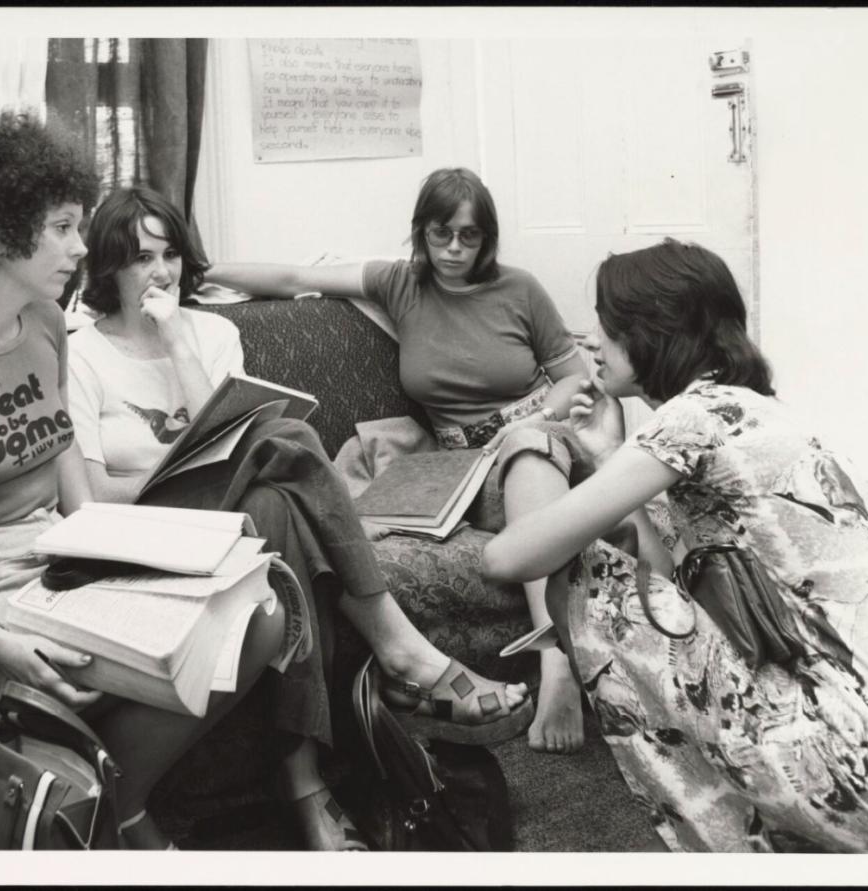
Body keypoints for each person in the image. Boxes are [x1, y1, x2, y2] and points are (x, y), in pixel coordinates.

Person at [66, 184, 532, 851]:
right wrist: (172, 473)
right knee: (285, 444)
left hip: (237, 521)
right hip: (146, 529)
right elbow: (93, 498)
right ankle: (397, 651)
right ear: (109, 267)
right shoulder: (81, 353)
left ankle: (304, 782)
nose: (160, 272)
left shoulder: (211, 334)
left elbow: (225, 440)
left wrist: (175, 341)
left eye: (169, 254)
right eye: (140, 258)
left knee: (276, 505)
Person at [0, 114, 289, 850]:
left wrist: (143, 559)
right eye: (62, 228)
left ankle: (117, 801)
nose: (81, 247)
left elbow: (77, 497)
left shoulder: (43, 325)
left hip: (50, 561)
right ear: (0, 235)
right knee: (94, 671)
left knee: (258, 616)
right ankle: (110, 813)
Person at [480, 239, 868, 852]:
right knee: (653, 535)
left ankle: (735, 839)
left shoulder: (691, 418)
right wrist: (611, 455)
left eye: (608, 324)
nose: (591, 340)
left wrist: (539, 444)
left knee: (583, 568)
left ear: (654, 333)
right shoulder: (753, 410)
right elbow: (669, 574)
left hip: (846, 757)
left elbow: (507, 557)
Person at [202, 167, 591, 754]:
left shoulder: (520, 290)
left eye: (470, 237)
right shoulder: (401, 285)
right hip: (453, 466)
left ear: (488, 239)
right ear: (421, 234)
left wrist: (531, 420)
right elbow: (292, 276)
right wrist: (192, 269)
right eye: (442, 235)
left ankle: (551, 654)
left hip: (530, 448)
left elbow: (573, 378)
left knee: (530, 453)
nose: (455, 250)